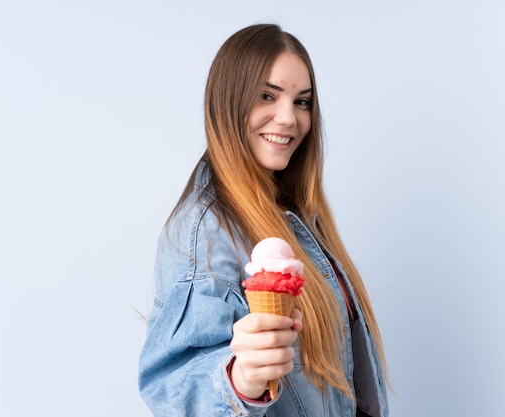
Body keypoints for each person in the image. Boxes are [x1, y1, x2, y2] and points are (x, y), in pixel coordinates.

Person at [139, 23, 390, 417]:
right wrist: (241, 382)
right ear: (228, 102)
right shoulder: (204, 232)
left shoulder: (294, 213)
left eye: (302, 101)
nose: (288, 118)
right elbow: (173, 390)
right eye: (266, 96)